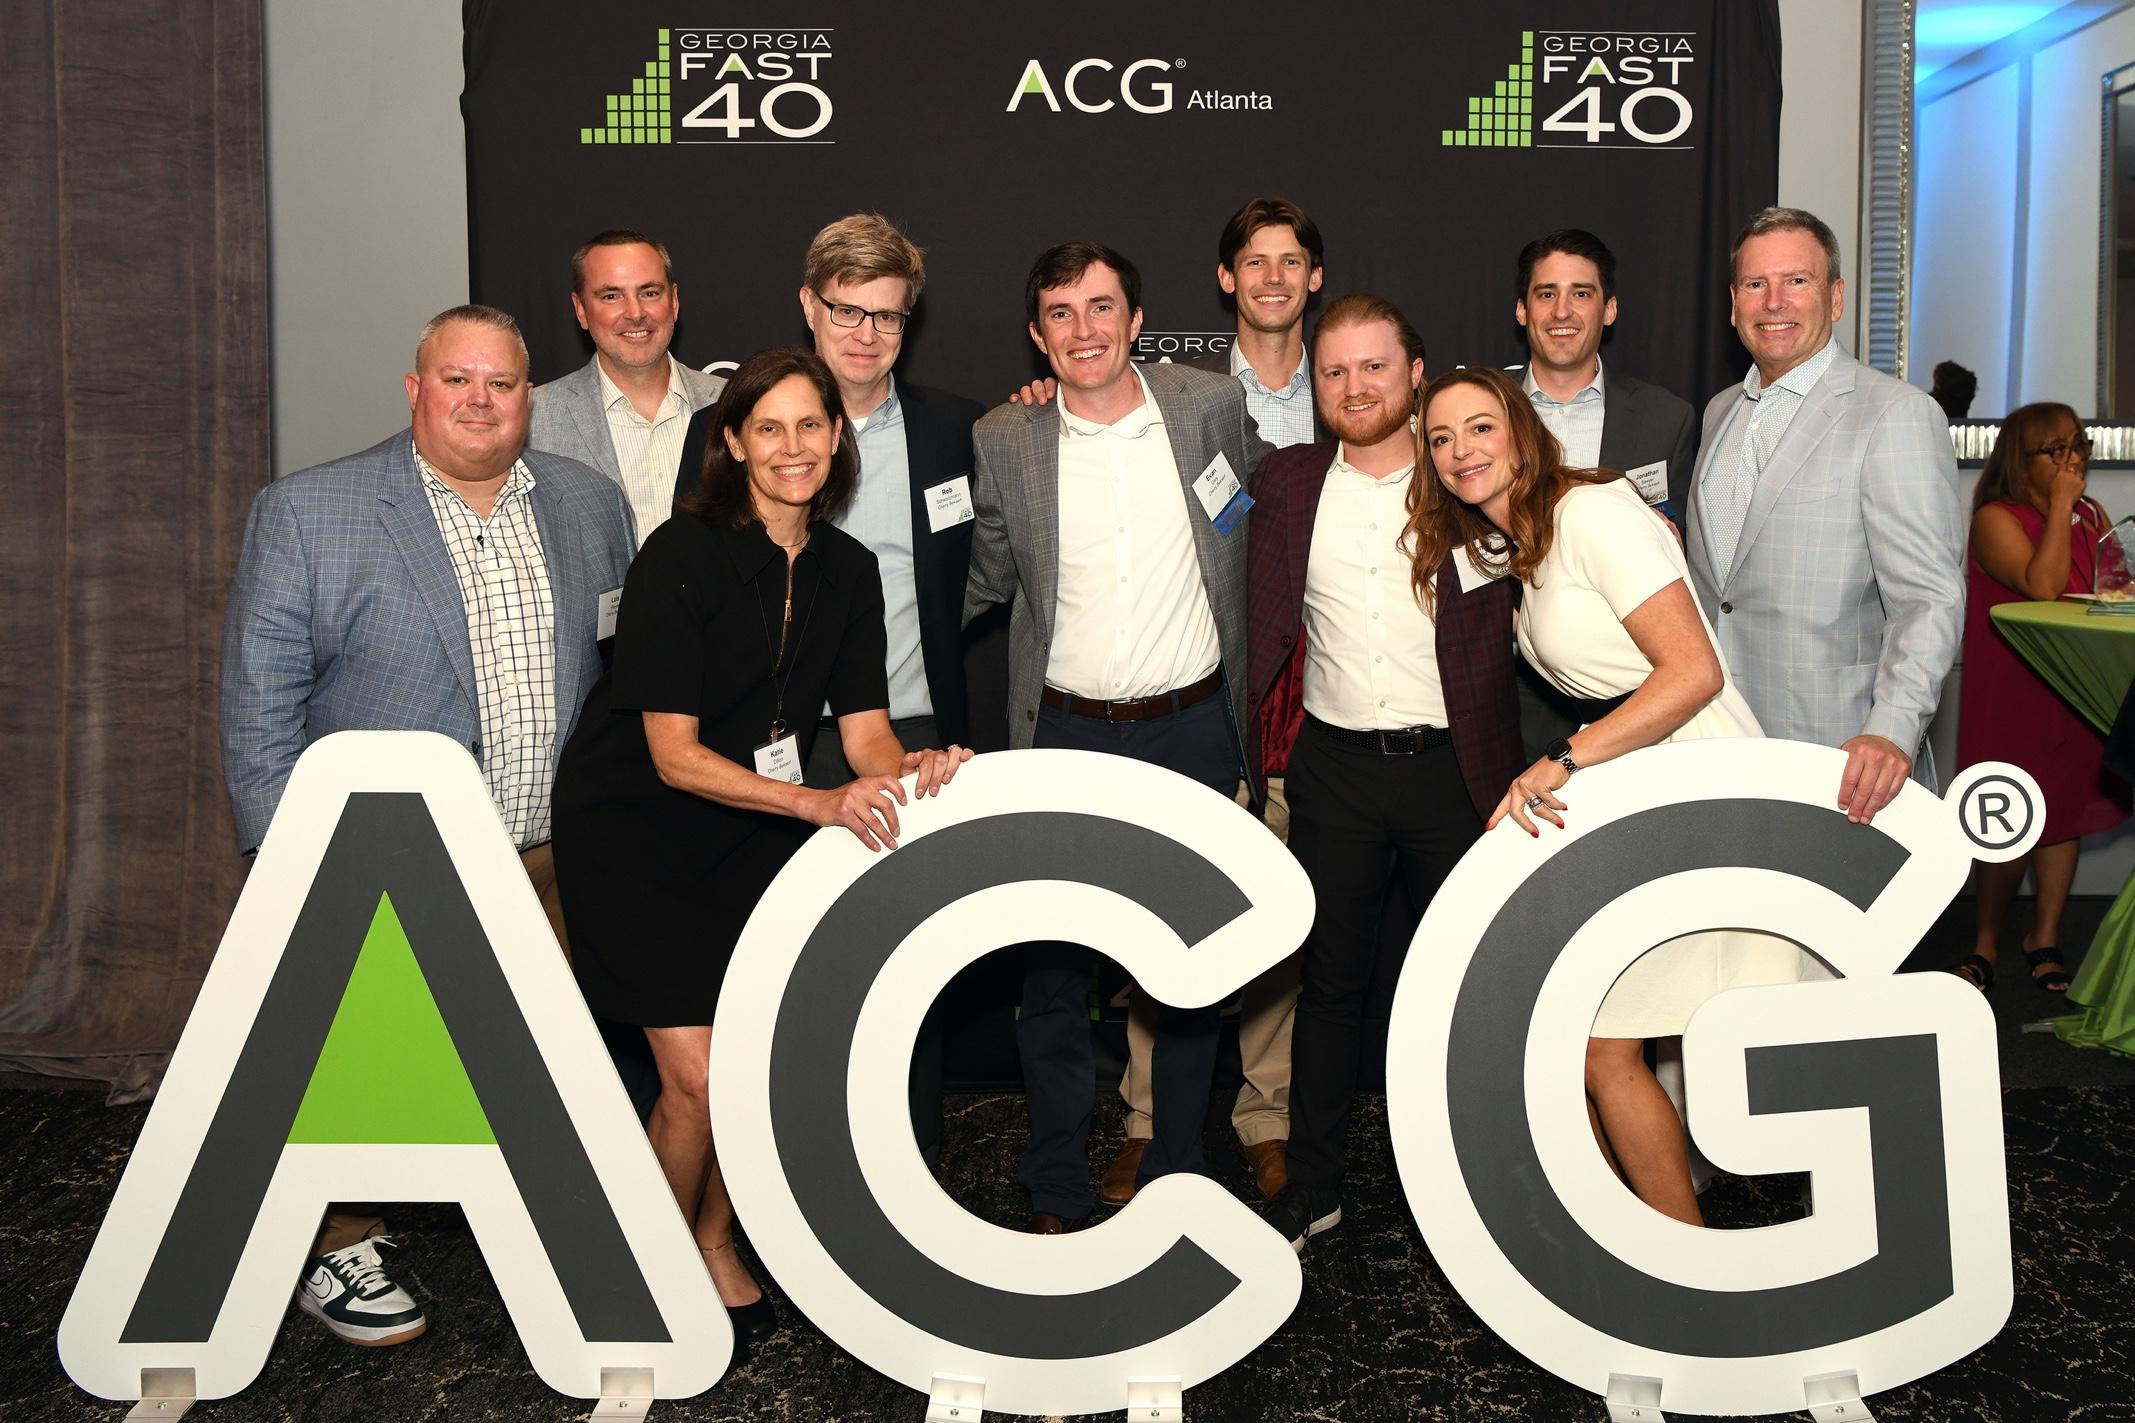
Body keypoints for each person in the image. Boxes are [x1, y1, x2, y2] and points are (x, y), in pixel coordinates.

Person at [220, 304, 635, 1346]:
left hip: (545, 860)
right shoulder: (308, 510)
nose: (479, 401)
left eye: (501, 382)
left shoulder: (587, 503)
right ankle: (338, 1236)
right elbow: (258, 707)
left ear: (529, 395)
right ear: (415, 389)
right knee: (364, 1059)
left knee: (534, 1059)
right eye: (457, 379)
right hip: (386, 862)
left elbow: (612, 672)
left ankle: (538, 1225)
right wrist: (285, 868)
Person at [552, 347, 969, 1336]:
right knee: (695, 1078)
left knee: (751, 1066)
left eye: (810, 425)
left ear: (837, 436)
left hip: (751, 832)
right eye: (768, 427)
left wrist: (918, 770)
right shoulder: (679, 555)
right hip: (637, 834)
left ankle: (713, 1237)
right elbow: (670, 756)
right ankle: (643, 1276)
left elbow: (864, 736)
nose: (793, 447)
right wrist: (816, 805)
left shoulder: (848, 570)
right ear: (732, 441)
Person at [1410, 364, 1805, 1225]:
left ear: (1520, 431)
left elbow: (1693, 672)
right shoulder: (1524, 541)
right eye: (1439, 438)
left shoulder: (1590, 512)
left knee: (1602, 1043)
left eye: (1479, 427)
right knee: (1595, 1041)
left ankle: (1672, 1252)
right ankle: (1645, 1243)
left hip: (1697, 781)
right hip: (1643, 790)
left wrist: (1561, 758)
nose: (1459, 450)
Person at [965, 241, 1272, 1232]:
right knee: (1052, 974)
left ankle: (1177, 1166)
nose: (1083, 330)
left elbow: (1268, 515)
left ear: (1137, 322)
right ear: (1036, 333)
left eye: (1101, 308)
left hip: (1192, 730)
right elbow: (983, 578)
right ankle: (1053, 1179)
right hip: (1063, 734)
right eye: (1060, 313)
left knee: (1188, 967)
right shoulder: (1004, 437)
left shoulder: (1206, 405)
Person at [1249, 296, 1523, 1249]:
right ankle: (1314, 1184)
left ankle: (1481, 1177)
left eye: (1374, 367)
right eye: (1333, 371)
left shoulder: (1466, 478)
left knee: (1470, 985)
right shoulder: (1286, 481)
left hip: (1458, 772)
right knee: (1328, 989)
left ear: (1414, 373)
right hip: (1333, 770)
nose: (1354, 386)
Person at [1684, 207, 1964, 826]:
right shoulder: (1719, 411)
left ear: (1835, 297)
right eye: (1755, 284)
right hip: (1717, 745)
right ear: (1733, 305)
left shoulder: (1894, 414)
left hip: (1844, 759)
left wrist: (1892, 729)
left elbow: (1928, 599)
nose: (1773, 302)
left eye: (1797, 280)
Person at [1954, 403, 2129, 992]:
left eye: (2078, 445)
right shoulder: (1995, 518)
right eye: (2057, 450)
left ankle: (2045, 935)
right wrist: (2060, 508)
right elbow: (2043, 584)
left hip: (2073, 685)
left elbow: (2113, 586)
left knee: (2063, 813)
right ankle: (1985, 941)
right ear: (2020, 459)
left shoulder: (2091, 514)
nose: (2073, 460)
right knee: (2009, 818)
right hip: (2015, 691)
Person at [528, 228, 725, 547]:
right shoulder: (533, 419)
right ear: (581, 310)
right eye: (611, 296)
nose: (635, 313)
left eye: (650, 293)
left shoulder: (734, 403)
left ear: (674, 301)